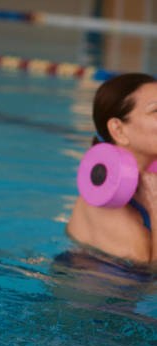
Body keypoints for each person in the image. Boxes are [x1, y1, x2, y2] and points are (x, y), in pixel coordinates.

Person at [67, 73, 157, 263]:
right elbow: (149, 284)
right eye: (156, 111)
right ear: (118, 130)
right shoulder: (104, 208)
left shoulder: (149, 186)